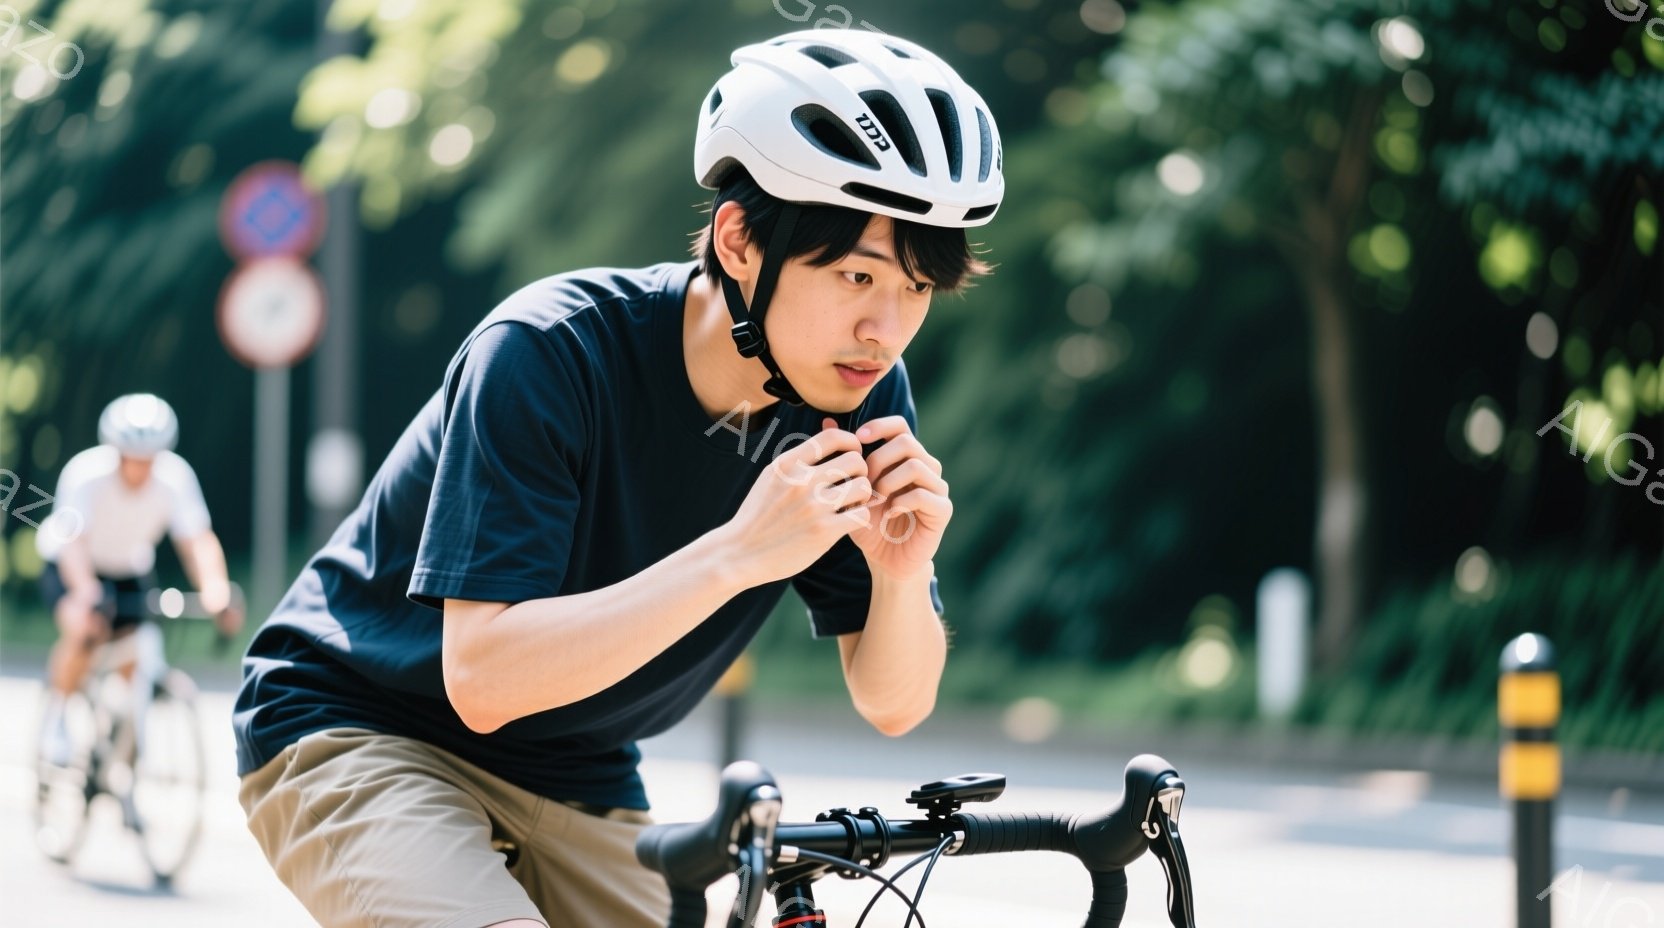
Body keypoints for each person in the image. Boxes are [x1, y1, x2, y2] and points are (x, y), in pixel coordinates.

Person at [233, 27, 1004, 928]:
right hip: (363, 723)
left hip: (581, 768)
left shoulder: (860, 396)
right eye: (857, 274)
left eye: (915, 288)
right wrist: (739, 554)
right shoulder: (548, 354)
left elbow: (893, 704)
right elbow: (483, 681)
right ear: (740, 241)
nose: (887, 326)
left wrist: (901, 575)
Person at [37, 393, 243, 765]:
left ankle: (124, 749)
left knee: (137, 656)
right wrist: (86, 591)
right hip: (73, 563)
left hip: (129, 566)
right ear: (116, 452)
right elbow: (72, 544)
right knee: (86, 627)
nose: (141, 469)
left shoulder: (175, 478)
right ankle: (58, 715)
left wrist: (216, 589)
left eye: (150, 459)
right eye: (133, 459)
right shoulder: (85, 474)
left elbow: (197, 540)